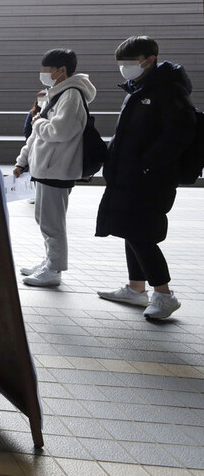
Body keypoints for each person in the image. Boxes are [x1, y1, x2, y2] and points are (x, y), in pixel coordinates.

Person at [95, 36, 196, 320]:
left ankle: (164, 294)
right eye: (122, 63)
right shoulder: (140, 88)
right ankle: (135, 288)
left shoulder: (169, 91)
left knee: (140, 233)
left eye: (130, 62)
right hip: (131, 174)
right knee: (129, 228)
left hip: (150, 179)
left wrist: (146, 165)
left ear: (149, 59)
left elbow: (179, 135)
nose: (125, 68)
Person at [13, 49, 96, 288]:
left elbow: (58, 132)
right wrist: (22, 161)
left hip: (57, 168)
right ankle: (49, 261)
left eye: (47, 70)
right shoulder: (56, 94)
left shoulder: (71, 95)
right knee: (43, 218)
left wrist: (38, 120)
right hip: (45, 168)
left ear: (62, 70)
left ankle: (55, 269)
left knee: (52, 222)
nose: (44, 75)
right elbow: (36, 138)